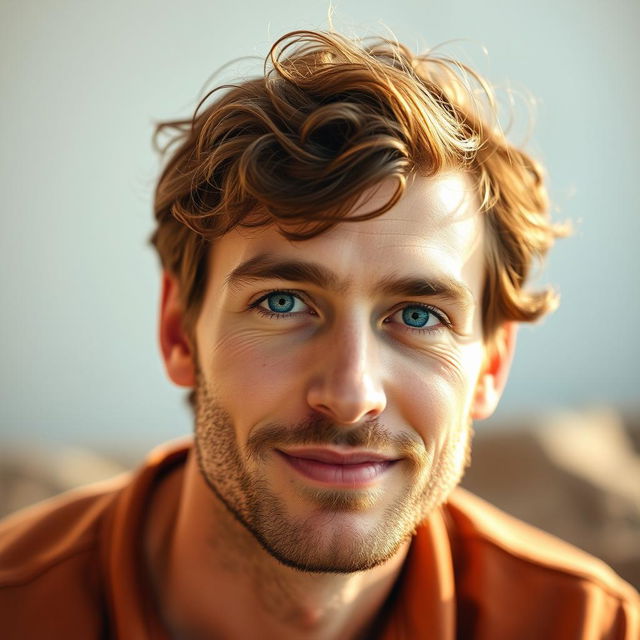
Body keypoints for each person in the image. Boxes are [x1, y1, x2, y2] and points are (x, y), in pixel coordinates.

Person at [0, 28, 638, 640]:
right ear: (179, 333)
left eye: (418, 315)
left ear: (491, 367)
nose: (351, 394)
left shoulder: (587, 628)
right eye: (283, 302)